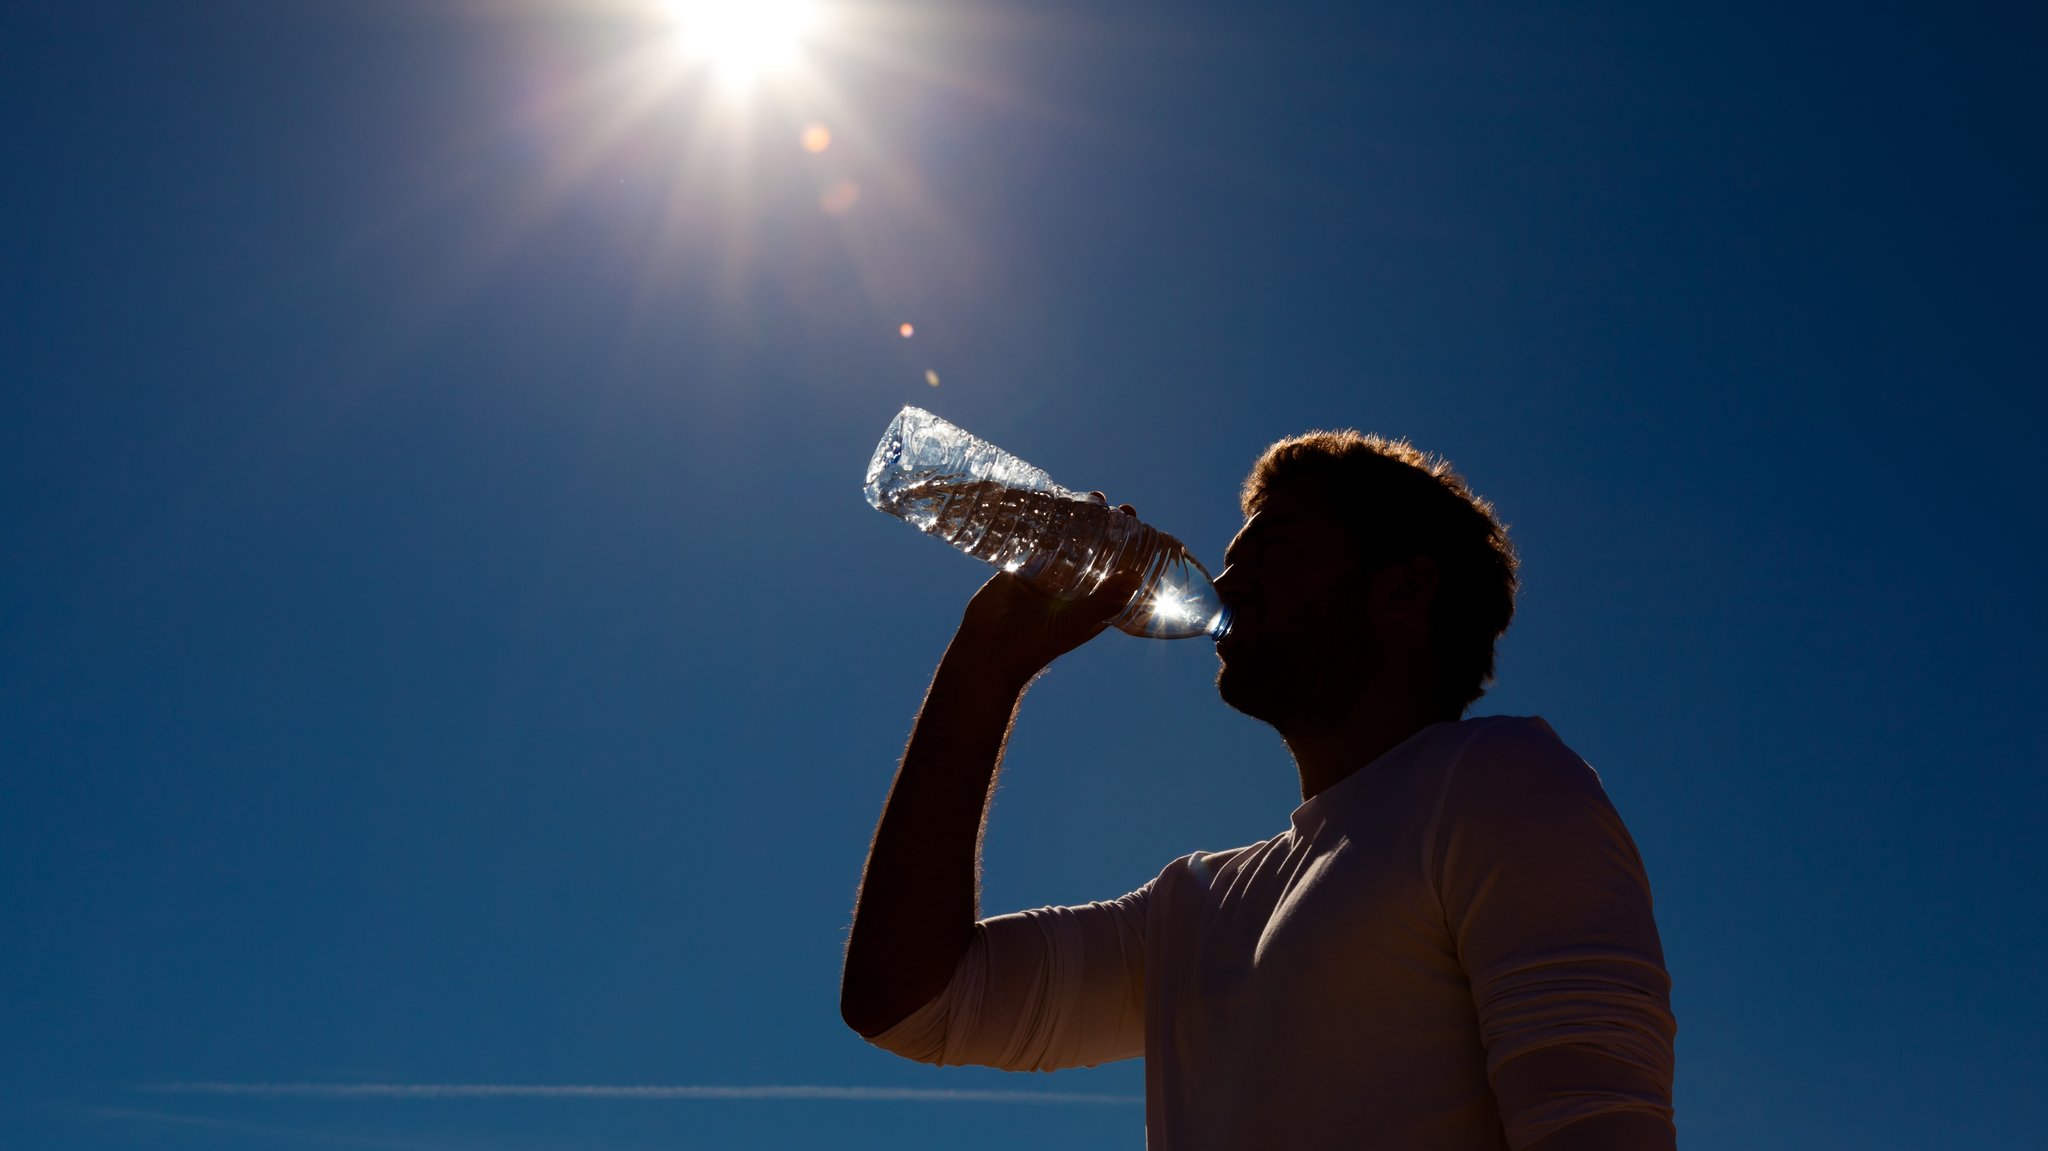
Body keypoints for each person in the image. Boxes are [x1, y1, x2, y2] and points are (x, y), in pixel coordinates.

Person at [840, 430, 1676, 1150]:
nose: (1227, 584)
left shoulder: (1499, 780)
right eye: (1232, 559)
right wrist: (990, 657)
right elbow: (912, 1001)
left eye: (1273, 552)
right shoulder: (1193, 906)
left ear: (1402, 590)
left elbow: (1597, 1126)